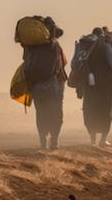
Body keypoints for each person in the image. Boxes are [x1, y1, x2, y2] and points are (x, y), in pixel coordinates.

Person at [23, 17, 67, 150]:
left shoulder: (30, 46)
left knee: (40, 113)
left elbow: (25, 60)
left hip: (36, 86)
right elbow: (62, 64)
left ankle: (43, 141)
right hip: (53, 86)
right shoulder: (54, 45)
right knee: (56, 113)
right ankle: (54, 141)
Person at [74, 28, 112, 147]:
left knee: (90, 110)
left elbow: (74, 64)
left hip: (88, 86)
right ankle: (103, 139)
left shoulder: (82, 46)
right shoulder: (105, 46)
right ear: (101, 36)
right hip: (104, 85)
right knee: (105, 111)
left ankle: (92, 140)